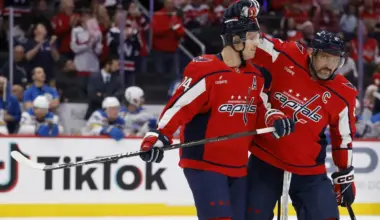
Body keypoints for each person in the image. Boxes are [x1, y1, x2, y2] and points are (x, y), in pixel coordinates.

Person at [138, 1, 295, 220]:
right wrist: (160, 135)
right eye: (251, 38)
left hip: (238, 167)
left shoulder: (255, 76)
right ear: (235, 39)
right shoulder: (206, 69)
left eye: (257, 38)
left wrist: (274, 119)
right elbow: (179, 106)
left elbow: (260, 109)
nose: (256, 44)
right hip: (204, 165)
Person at [228, 1, 357, 219]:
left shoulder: (344, 93)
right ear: (310, 53)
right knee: (251, 215)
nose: (329, 65)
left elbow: (342, 138)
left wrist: (344, 175)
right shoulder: (287, 55)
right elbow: (254, 45)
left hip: (309, 170)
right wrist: (242, 23)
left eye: (335, 60)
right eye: (324, 57)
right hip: (265, 161)